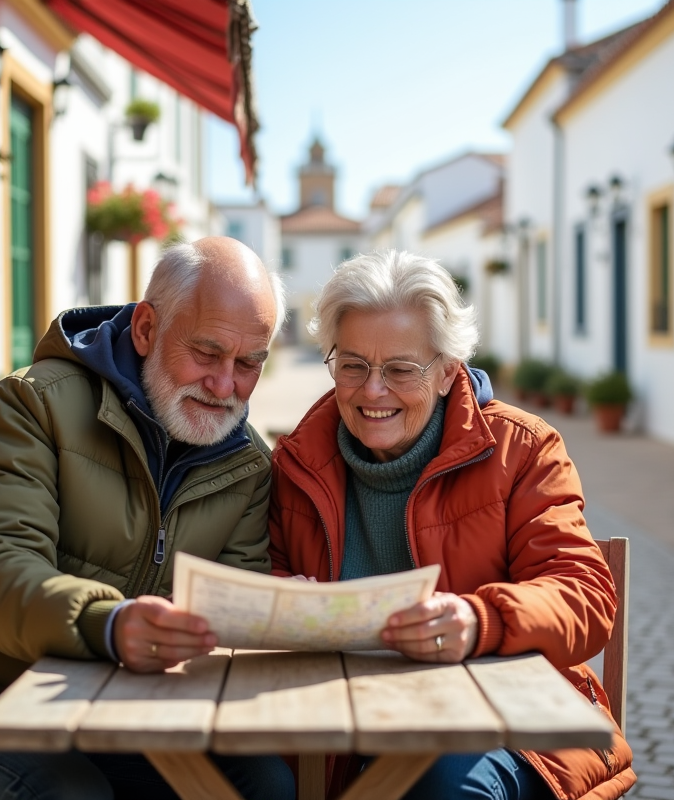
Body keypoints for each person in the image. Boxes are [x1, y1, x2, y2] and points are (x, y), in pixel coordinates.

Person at [0, 237, 296, 800]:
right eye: (206, 352)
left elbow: (230, 610)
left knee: (263, 783)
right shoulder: (31, 405)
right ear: (146, 329)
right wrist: (110, 624)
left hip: (113, 713)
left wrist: (278, 611)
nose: (225, 386)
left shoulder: (246, 466)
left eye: (248, 364)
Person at [269, 250, 635, 800]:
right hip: (338, 729)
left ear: (446, 372)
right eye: (352, 365)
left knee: (443, 787)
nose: (373, 391)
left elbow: (584, 595)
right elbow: (260, 580)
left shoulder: (524, 449)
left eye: (399, 369)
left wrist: (479, 619)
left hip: (503, 721)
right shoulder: (296, 464)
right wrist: (278, 604)